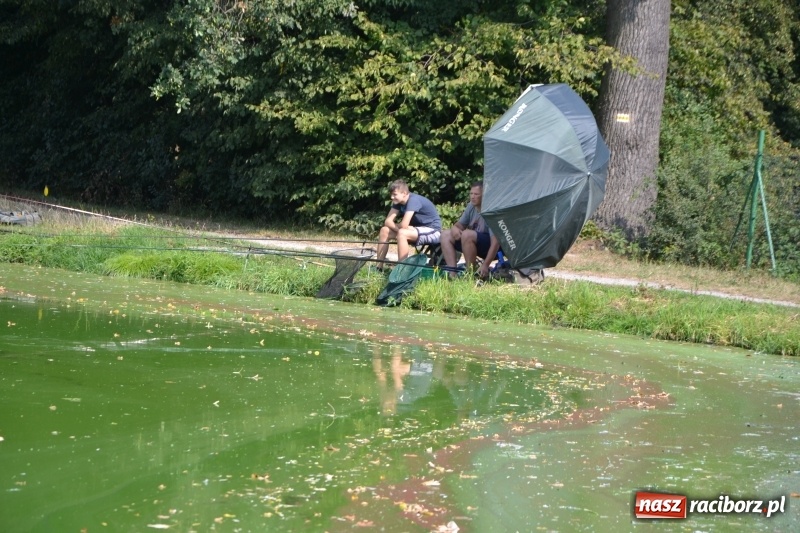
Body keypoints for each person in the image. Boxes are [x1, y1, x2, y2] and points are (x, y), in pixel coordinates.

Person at [375, 179, 442, 270]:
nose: (392, 197)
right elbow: (388, 221)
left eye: (394, 194)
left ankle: (402, 270)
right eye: (391, 194)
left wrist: (403, 229)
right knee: (384, 230)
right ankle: (378, 267)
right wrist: (402, 229)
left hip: (433, 231)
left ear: (404, 193)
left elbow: (404, 225)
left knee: (402, 233)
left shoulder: (413, 200)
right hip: (415, 230)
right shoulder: (398, 202)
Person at [439, 181, 501, 278]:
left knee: (467, 234)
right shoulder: (471, 206)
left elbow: (496, 243)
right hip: (473, 243)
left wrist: (485, 265)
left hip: (492, 248)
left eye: (476, 194)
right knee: (445, 234)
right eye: (471, 193)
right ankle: (453, 274)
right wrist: (454, 228)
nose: (472, 197)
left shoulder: (491, 211)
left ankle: (470, 274)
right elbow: (460, 225)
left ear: (484, 196)